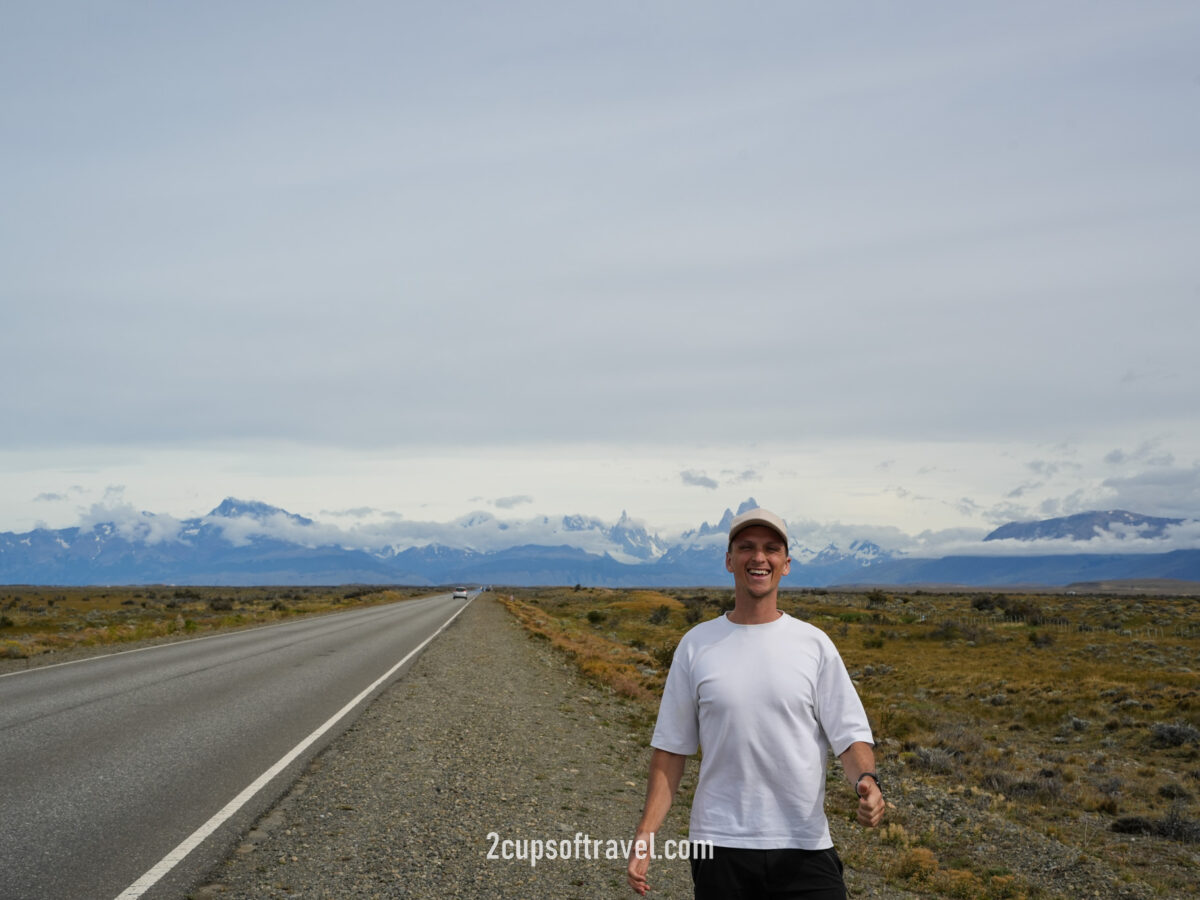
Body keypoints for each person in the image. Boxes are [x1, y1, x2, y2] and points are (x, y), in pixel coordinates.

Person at [626, 507, 885, 898]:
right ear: (730, 561)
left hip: (804, 845)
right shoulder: (696, 645)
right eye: (746, 547)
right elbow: (671, 751)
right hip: (719, 845)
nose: (759, 557)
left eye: (771, 548)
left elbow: (849, 737)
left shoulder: (814, 645)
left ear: (786, 564)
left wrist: (867, 781)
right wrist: (646, 833)